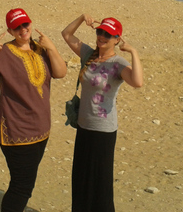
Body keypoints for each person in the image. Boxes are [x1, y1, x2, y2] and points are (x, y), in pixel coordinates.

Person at [0, 8, 67, 212]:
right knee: (21, 186)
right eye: (17, 27)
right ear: (10, 30)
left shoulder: (41, 49)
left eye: (25, 24)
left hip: (41, 128)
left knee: (25, 182)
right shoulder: (3, 53)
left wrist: (52, 48)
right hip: (16, 129)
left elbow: (60, 73)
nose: (23, 29)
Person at [61, 14, 144, 212]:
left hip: (103, 131)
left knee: (101, 184)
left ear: (117, 39)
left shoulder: (118, 63)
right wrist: (82, 18)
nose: (102, 36)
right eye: (100, 31)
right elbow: (66, 34)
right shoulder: (89, 54)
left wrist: (133, 52)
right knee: (81, 178)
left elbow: (137, 82)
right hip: (84, 126)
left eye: (108, 34)